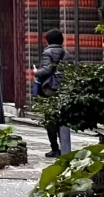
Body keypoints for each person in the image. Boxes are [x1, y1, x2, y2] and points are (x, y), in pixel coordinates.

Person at [35, 29, 70, 158]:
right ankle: (65, 147)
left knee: (50, 119)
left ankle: (55, 148)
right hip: (63, 89)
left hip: (50, 89)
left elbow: (46, 70)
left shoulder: (47, 53)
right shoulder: (66, 54)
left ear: (47, 41)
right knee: (62, 119)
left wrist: (35, 72)